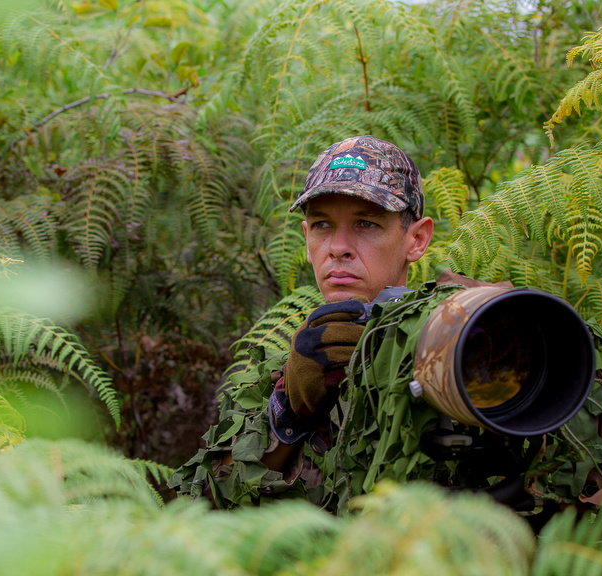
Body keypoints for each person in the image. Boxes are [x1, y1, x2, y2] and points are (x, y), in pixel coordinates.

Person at [168, 135, 436, 505]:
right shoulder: (273, 376)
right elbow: (208, 507)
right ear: (307, 239)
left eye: (367, 225)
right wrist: (289, 410)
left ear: (416, 239)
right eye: (323, 225)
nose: (337, 247)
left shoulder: (451, 344)